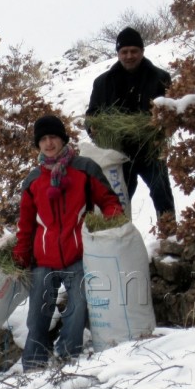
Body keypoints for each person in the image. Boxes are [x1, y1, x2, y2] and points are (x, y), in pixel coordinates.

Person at [13, 115, 123, 371]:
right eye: (42, 139)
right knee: (37, 317)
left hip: (79, 255)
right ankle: (33, 366)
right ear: (37, 145)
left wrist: (111, 222)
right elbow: (26, 224)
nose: (49, 143)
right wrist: (21, 252)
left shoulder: (84, 169)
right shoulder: (32, 182)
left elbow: (108, 201)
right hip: (43, 259)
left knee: (77, 308)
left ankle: (67, 361)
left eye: (53, 137)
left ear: (63, 139)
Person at [86, 26, 176, 234]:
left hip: (150, 150)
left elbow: (171, 111)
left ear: (142, 51)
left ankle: (170, 238)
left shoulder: (160, 78)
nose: (129, 56)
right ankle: (116, 240)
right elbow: (92, 116)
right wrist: (94, 129)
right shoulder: (102, 83)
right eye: (124, 52)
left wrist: (161, 126)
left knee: (161, 191)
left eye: (134, 51)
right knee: (117, 201)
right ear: (118, 54)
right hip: (118, 154)